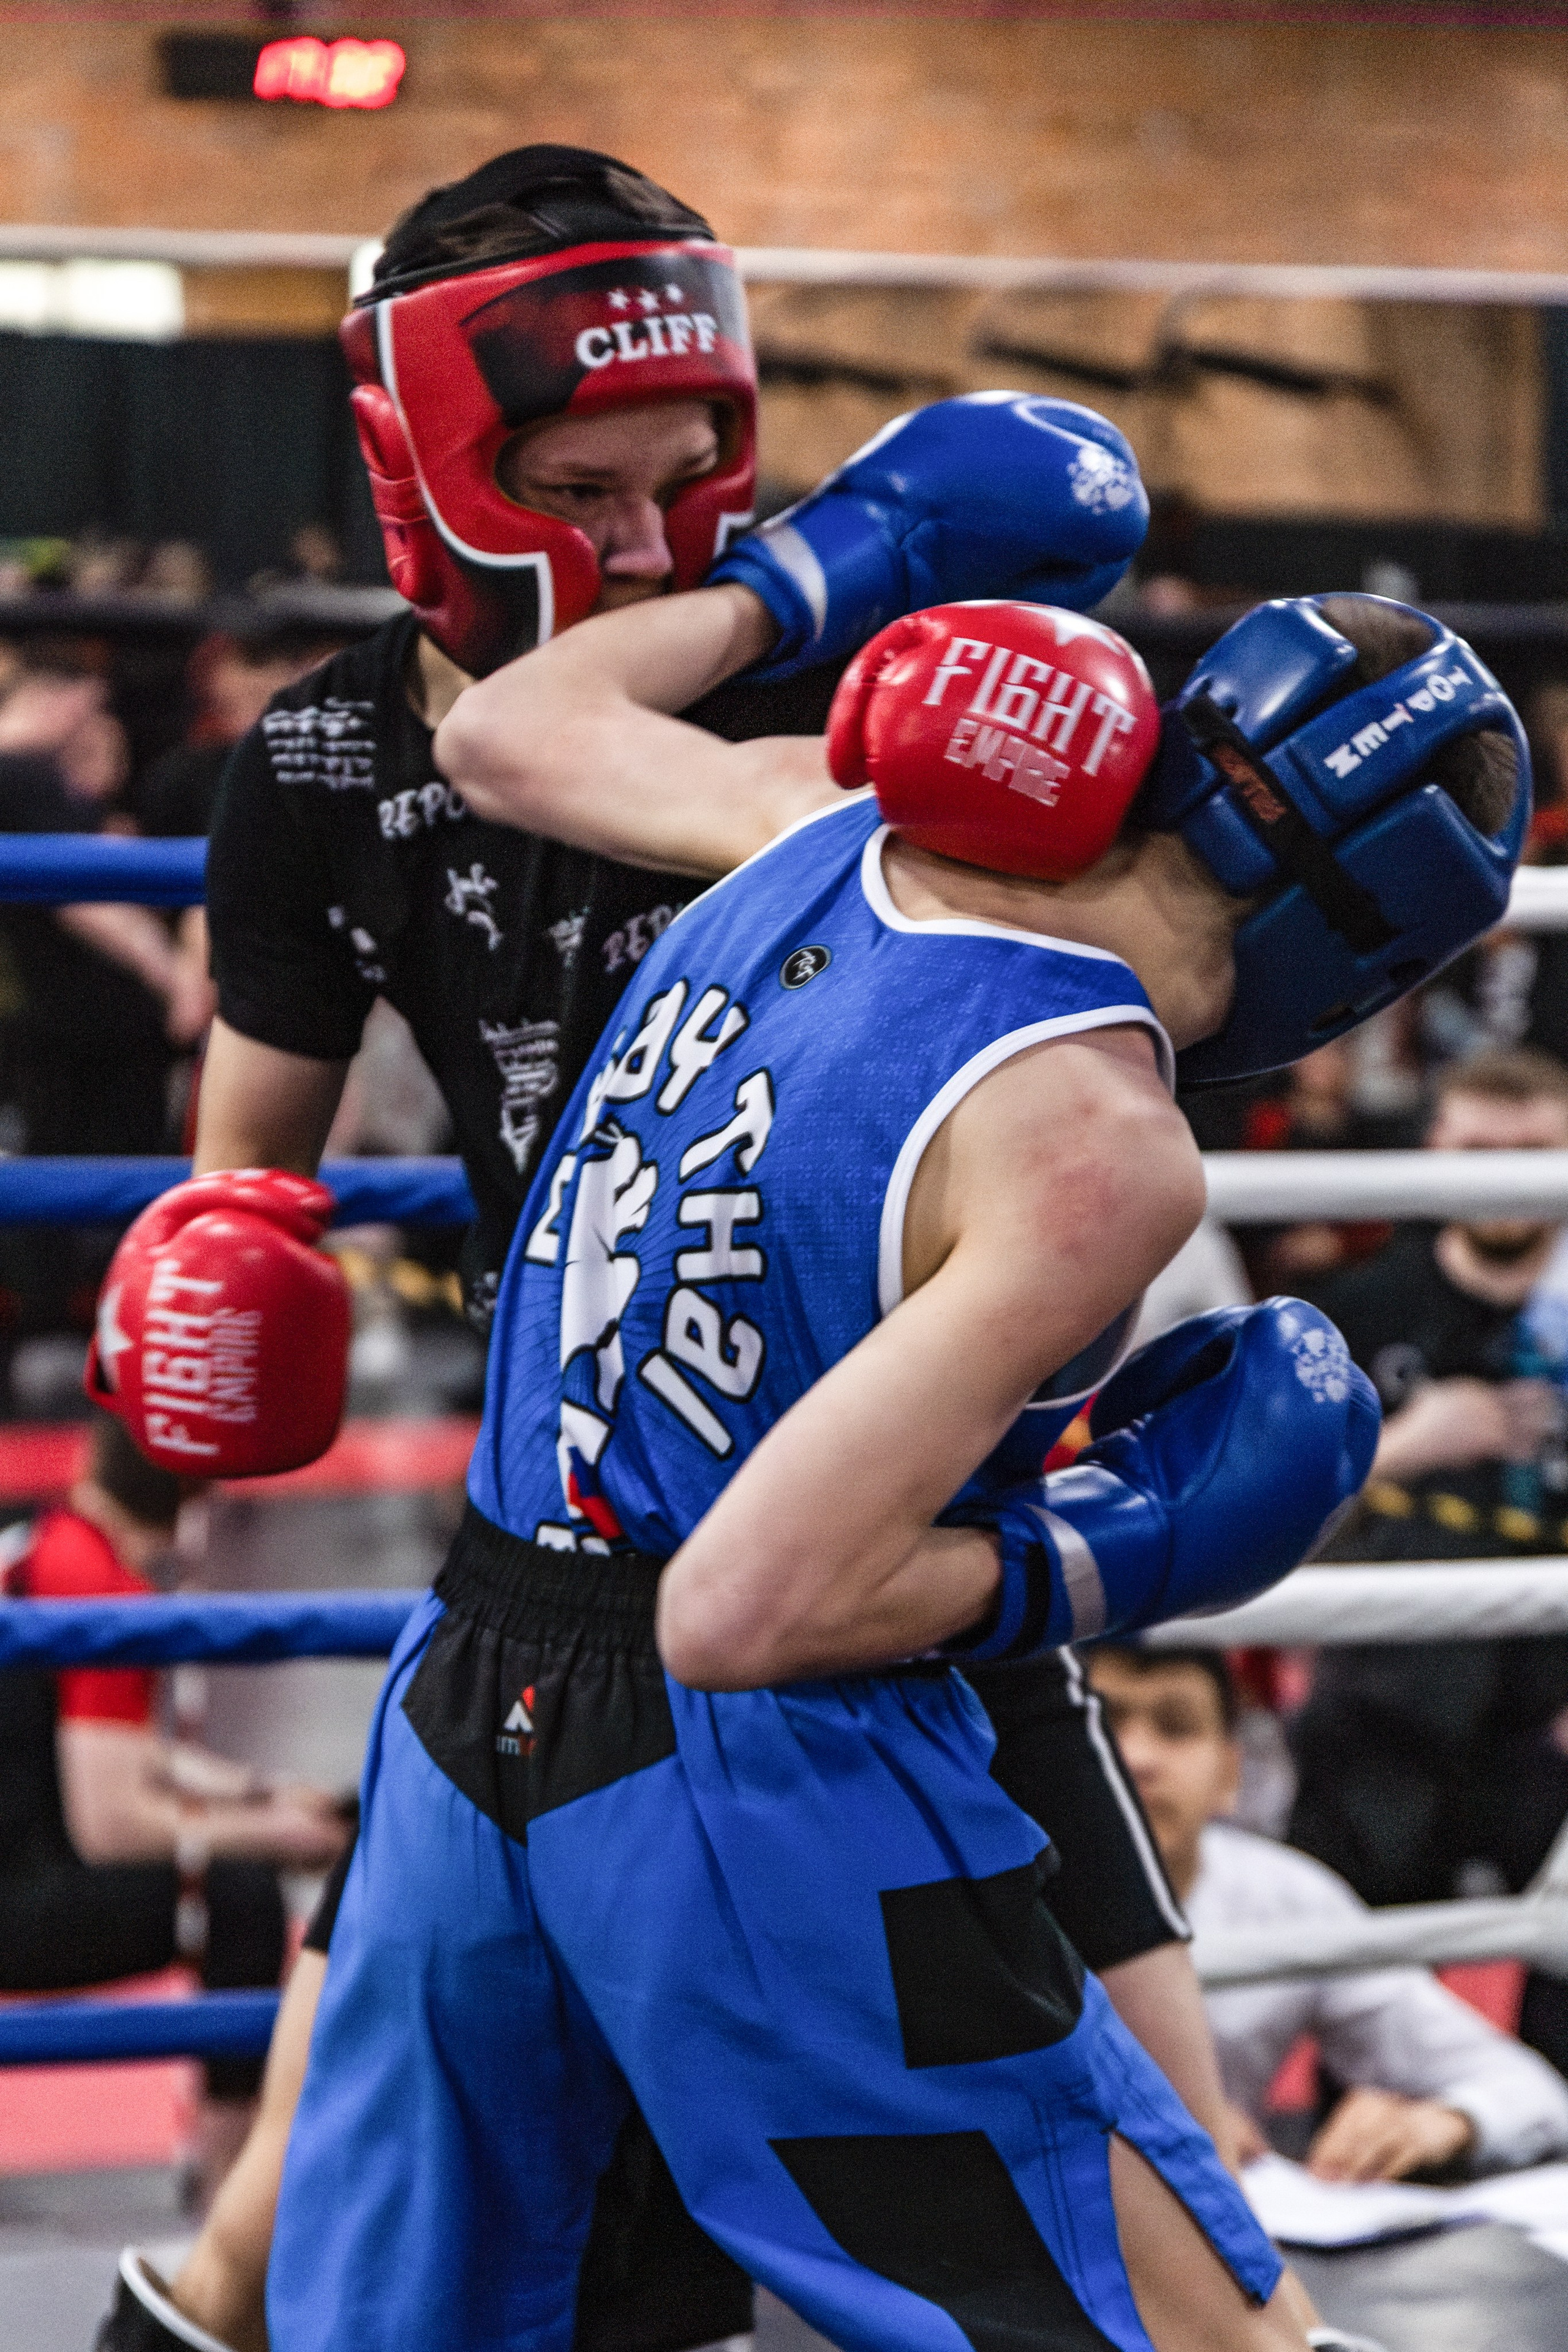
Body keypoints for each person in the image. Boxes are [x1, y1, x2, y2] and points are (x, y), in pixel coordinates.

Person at [98, 142, 1177, 2352]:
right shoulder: (318, 764)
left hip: (889, 1523)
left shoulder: (856, 688)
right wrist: (214, 1272)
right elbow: (247, 1163)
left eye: (692, 475)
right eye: (586, 486)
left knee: (1158, 2164)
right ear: (436, 476)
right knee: (290, 2229)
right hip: (564, 1569)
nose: (644, 539)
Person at [257, 573, 1523, 2351]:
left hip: (466, 1703)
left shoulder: (831, 820)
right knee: (1193, 2335)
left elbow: (500, 730)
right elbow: (742, 1606)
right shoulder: (1095, 1133)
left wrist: (806, 568)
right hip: (753, 1788)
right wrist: (1117, 1544)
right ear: (1375, 953)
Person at [1287, 1043, 1568, 2078]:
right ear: (1435, 1148)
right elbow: (1267, 1526)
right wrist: (1408, 1443)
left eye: (1531, 1153)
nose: (1502, 1175)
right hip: (1387, 1693)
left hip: (1550, 1702)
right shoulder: (1360, 1312)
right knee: (1357, 1991)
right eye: (1480, 1150)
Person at [0, 1414, 348, 2204]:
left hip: (19, 1852)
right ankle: (228, 2182)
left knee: (239, 1870)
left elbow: (122, 1749)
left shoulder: (52, 1544)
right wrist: (271, 1838)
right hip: (15, 1900)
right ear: (191, 1494)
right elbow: (111, 1823)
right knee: (239, 1901)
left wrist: (259, 1792)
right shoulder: (99, 1588)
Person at [1087, 1644, 1568, 2182]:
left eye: (1176, 1728)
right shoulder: (985, 1902)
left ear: (1230, 1772)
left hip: (1235, 2231)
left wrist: (1449, 2122)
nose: (1138, 1758)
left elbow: (1530, 2091)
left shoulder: (1288, 1898)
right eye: (1102, 1726)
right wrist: (1150, 2125)